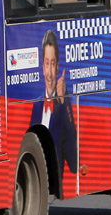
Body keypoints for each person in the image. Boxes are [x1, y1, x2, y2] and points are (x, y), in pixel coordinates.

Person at [30, 30, 79, 192]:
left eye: (53, 64)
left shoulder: (63, 106)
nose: (50, 74)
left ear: (58, 67)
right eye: (46, 63)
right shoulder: (36, 106)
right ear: (42, 68)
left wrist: (64, 102)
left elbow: (74, 161)